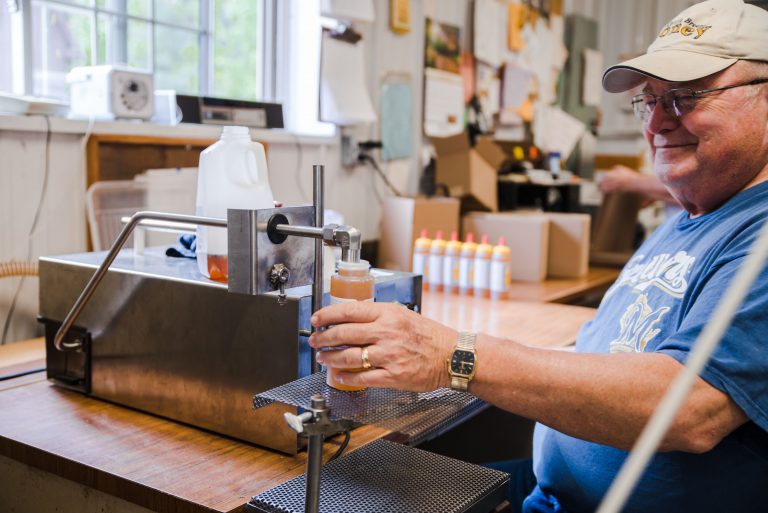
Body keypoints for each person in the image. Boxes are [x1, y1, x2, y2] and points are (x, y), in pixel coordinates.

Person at [310, 1, 768, 511]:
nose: (658, 121)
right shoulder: (696, 214)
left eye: (686, 97)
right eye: (650, 99)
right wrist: (433, 377)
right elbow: (614, 353)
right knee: (349, 488)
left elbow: (688, 407)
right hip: (549, 491)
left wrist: (454, 354)